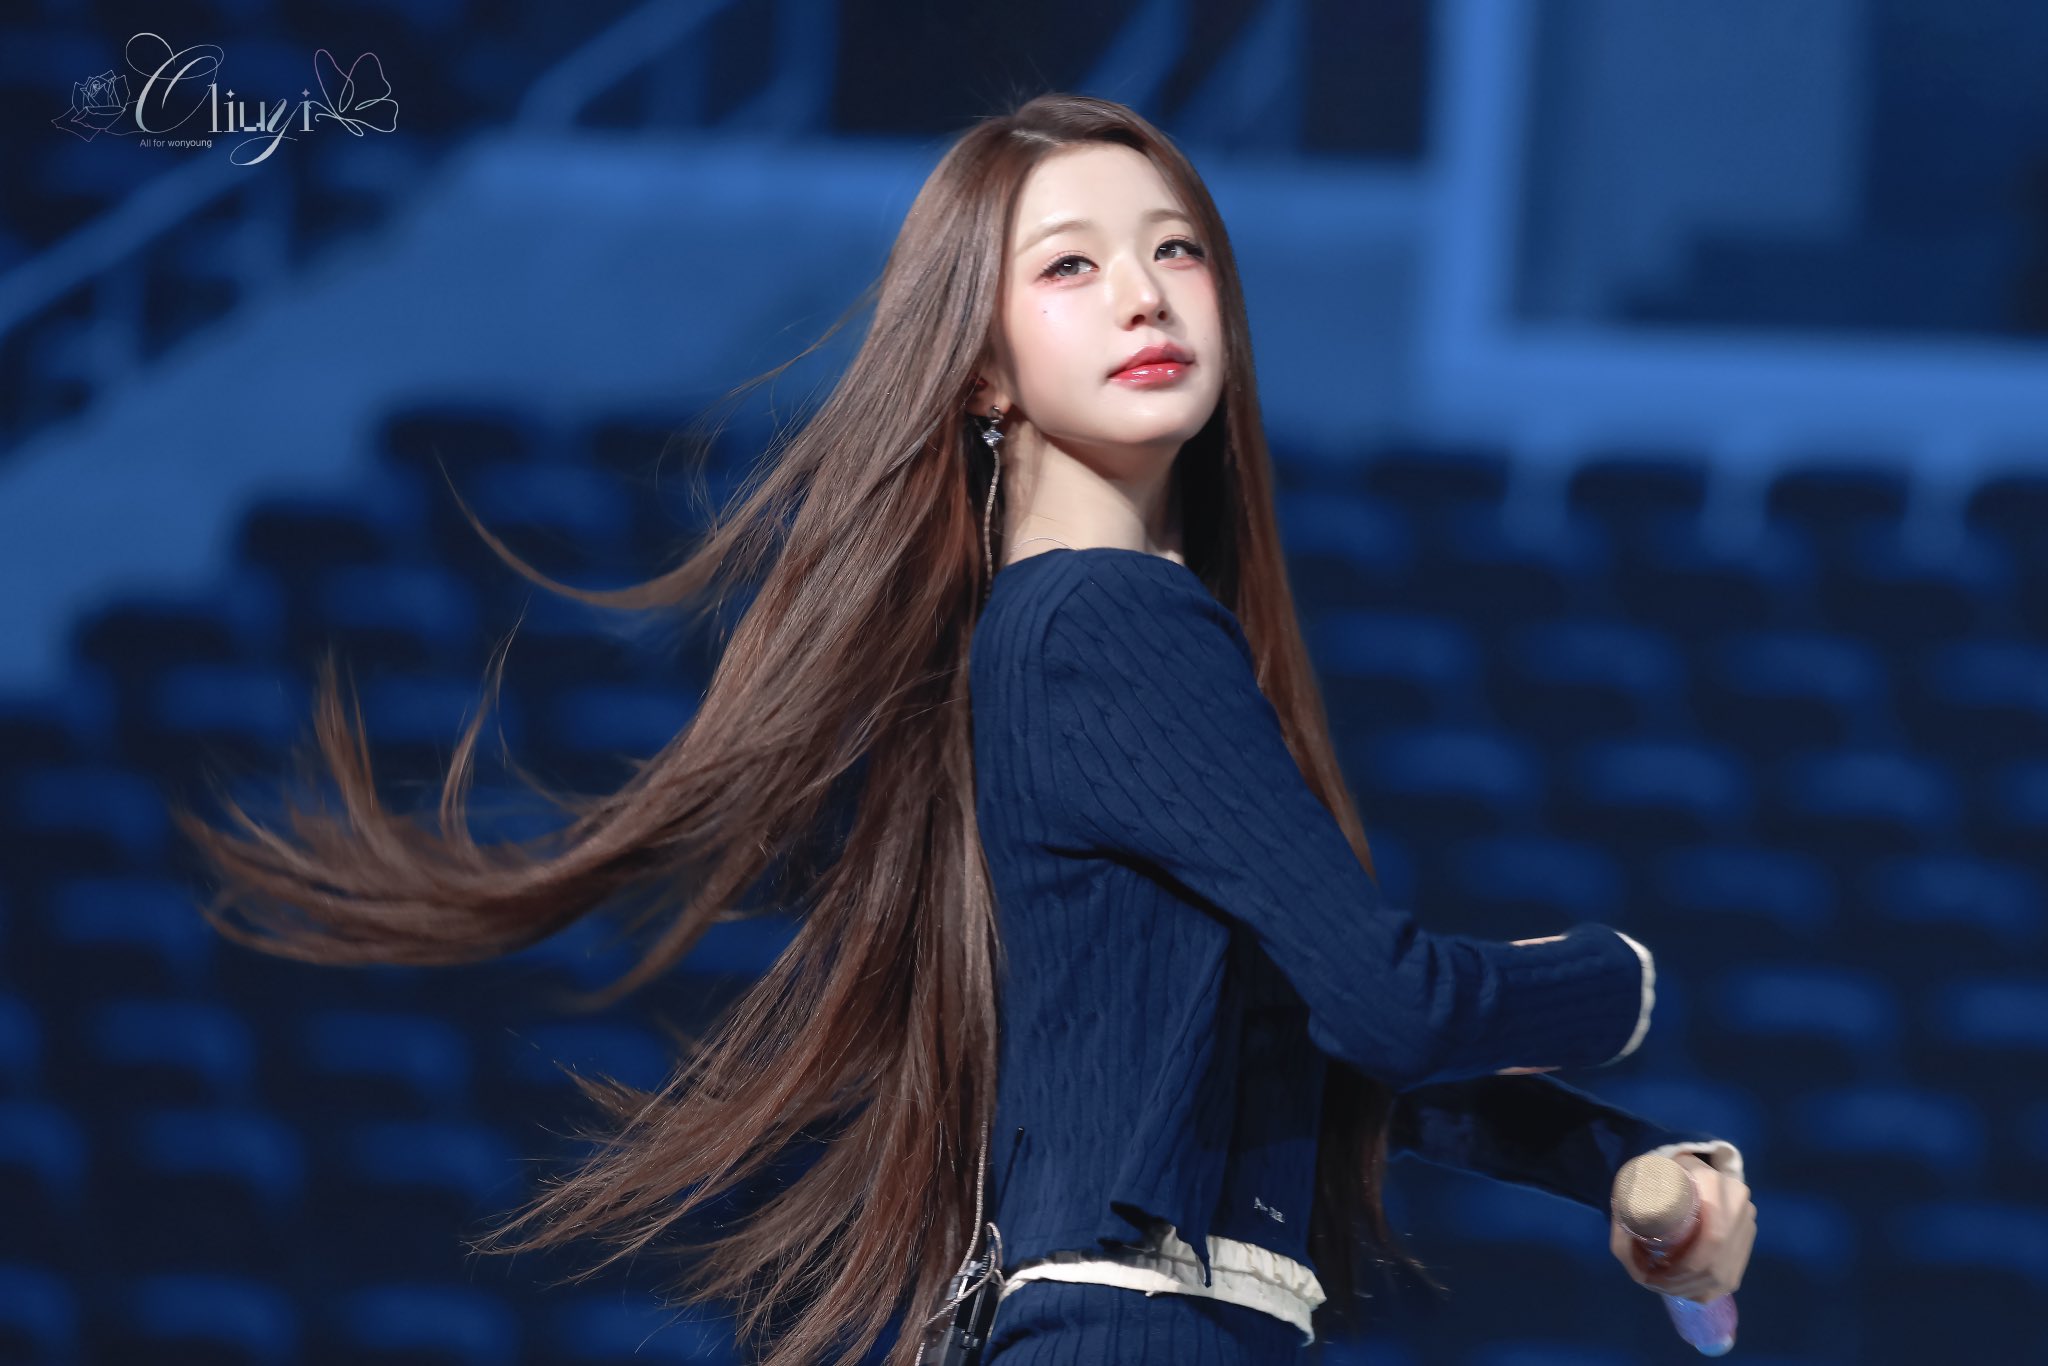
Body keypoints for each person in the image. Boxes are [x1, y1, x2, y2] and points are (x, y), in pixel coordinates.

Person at [174, 93, 1755, 1366]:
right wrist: (1620, 977)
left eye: (1178, 248)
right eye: (1071, 265)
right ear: (983, 368)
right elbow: (1393, 1003)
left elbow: (1317, 1046)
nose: (1144, 291)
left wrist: (1609, 1162)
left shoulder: (1056, 637)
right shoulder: (1111, 623)